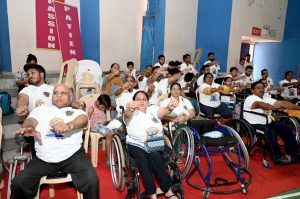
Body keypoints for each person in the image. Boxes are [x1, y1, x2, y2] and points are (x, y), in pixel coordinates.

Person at [11, 84, 99, 199]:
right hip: (43, 159)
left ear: (71, 97)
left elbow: (83, 120)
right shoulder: (41, 110)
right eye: (56, 93)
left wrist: (69, 125)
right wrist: (28, 127)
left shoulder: (77, 112)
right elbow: (30, 121)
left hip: (73, 157)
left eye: (63, 93)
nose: (58, 95)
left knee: (92, 180)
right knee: (18, 182)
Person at [124, 91, 179, 199]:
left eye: (144, 99)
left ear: (148, 101)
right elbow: (127, 115)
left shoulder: (152, 110)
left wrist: (169, 107)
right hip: (136, 143)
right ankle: (152, 193)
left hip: (154, 141)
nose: (141, 101)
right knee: (143, 161)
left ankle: (167, 190)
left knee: (155, 157)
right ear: (134, 101)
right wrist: (130, 109)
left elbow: (163, 111)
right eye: (138, 99)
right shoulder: (131, 112)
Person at [243, 81, 300, 165]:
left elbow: (282, 103)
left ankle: (293, 153)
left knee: (286, 129)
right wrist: (272, 107)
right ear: (252, 90)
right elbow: (259, 104)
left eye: (262, 88)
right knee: (271, 133)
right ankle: (278, 158)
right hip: (254, 124)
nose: (261, 89)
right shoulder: (250, 98)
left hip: (267, 122)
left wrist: (298, 108)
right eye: (258, 88)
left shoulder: (266, 97)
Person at [86, 94, 122, 166]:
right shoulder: (90, 105)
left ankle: (118, 154)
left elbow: (109, 107)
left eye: (104, 108)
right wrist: (89, 113)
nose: (103, 109)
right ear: (98, 102)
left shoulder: (103, 104)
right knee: (109, 133)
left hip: (104, 123)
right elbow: (85, 120)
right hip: (95, 125)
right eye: (102, 107)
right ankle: (108, 158)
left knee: (120, 126)